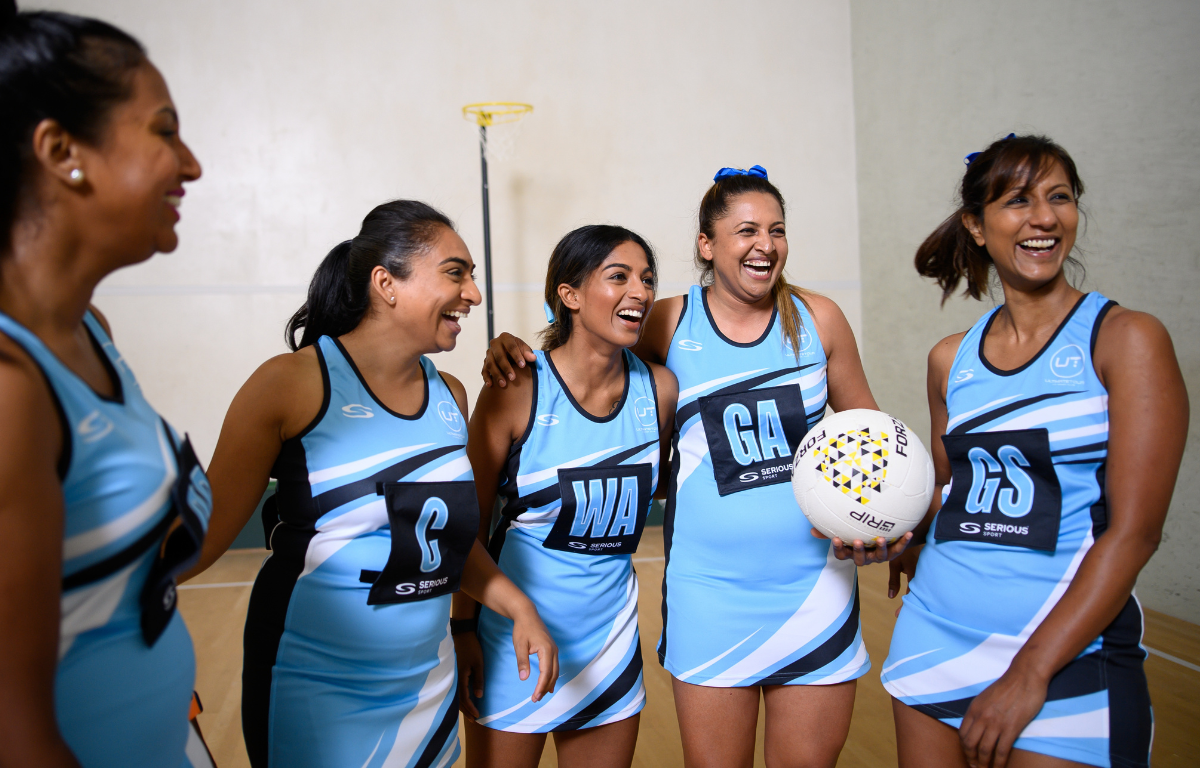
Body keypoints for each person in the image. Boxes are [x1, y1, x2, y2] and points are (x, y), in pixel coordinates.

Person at [482, 167, 910, 768]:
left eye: (777, 230)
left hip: (815, 589)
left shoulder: (819, 319)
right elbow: (583, 362)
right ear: (707, 245)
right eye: (746, 231)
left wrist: (888, 524)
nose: (765, 244)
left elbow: (875, 446)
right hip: (708, 593)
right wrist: (512, 350)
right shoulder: (666, 321)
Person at [182, 200, 559, 768]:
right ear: (386, 283)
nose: (474, 294)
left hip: (426, 683)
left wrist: (516, 606)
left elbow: (444, 539)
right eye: (455, 273)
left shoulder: (451, 394)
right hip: (315, 683)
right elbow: (202, 537)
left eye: (472, 276)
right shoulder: (290, 384)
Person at [883, 134, 1188, 768]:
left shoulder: (1126, 340)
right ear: (977, 224)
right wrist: (888, 534)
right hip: (932, 639)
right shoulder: (950, 359)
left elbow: (1135, 533)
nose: (1044, 217)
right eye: (1018, 200)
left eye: (1060, 197)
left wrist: (1029, 674)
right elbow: (949, 497)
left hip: (1063, 659)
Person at [0, 0, 212, 767]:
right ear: (62, 151)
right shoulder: (10, 388)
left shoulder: (91, 332)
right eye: (164, 131)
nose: (191, 165)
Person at [456, 225, 677, 767]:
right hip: (514, 642)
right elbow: (467, 526)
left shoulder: (660, 390)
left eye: (647, 279)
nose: (641, 291)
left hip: (610, 642)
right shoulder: (516, 387)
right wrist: (462, 629)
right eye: (619, 276)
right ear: (569, 294)